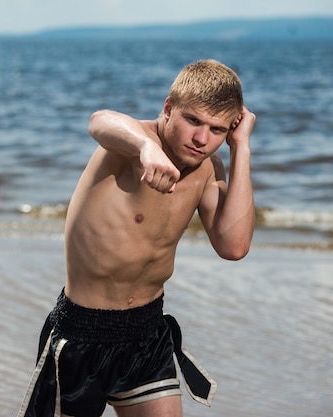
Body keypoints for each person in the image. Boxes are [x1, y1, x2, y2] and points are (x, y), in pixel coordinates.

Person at [17, 59, 256, 417]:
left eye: (217, 129)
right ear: (168, 108)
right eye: (193, 120)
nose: (202, 139)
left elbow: (233, 246)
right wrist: (145, 148)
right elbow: (100, 121)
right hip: (83, 332)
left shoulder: (208, 169)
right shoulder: (130, 145)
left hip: (146, 333)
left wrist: (241, 150)